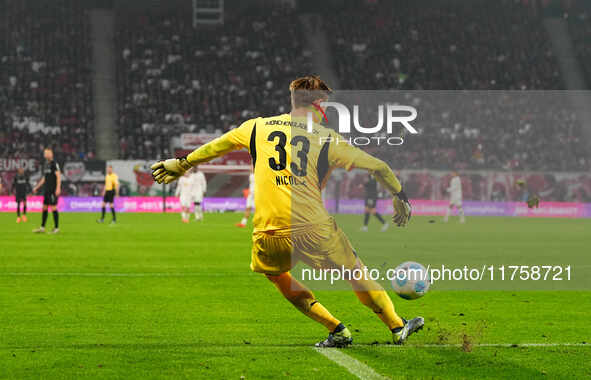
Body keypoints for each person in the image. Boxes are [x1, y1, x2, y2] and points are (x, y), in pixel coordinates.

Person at [151, 75, 420, 347]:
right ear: (318, 104)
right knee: (355, 273)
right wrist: (400, 195)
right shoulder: (327, 138)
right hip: (314, 227)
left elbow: (217, 146)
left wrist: (183, 163)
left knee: (278, 275)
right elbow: (379, 167)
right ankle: (397, 326)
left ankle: (336, 328)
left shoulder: (256, 127)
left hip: (269, 230)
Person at [32, 148, 61, 234]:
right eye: (45, 153)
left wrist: (58, 188)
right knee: (44, 207)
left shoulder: (54, 164)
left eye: (47, 153)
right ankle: (42, 227)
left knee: (53, 207)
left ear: (51, 154)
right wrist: (37, 187)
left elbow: (58, 176)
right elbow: (44, 178)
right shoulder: (46, 164)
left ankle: (56, 228)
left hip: (52, 189)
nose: (45, 154)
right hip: (46, 189)